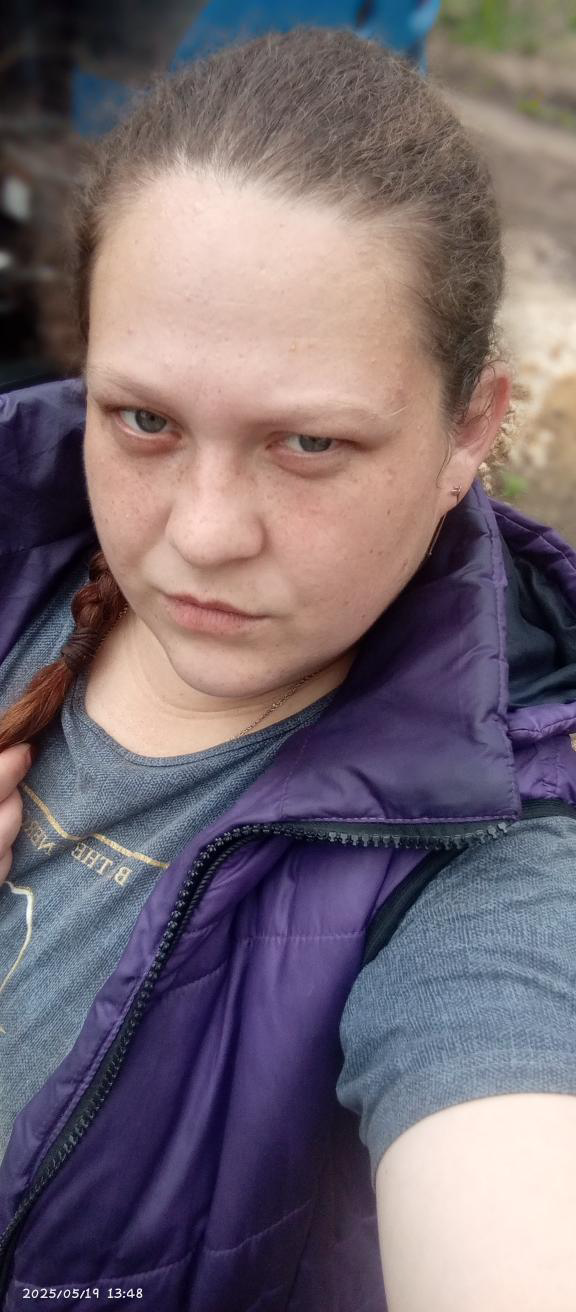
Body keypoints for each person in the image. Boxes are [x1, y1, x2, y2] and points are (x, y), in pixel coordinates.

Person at [0, 27, 575, 1312]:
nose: (205, 533)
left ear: (470, 428)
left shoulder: (494, 862)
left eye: (309, 442)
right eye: (144, 418)